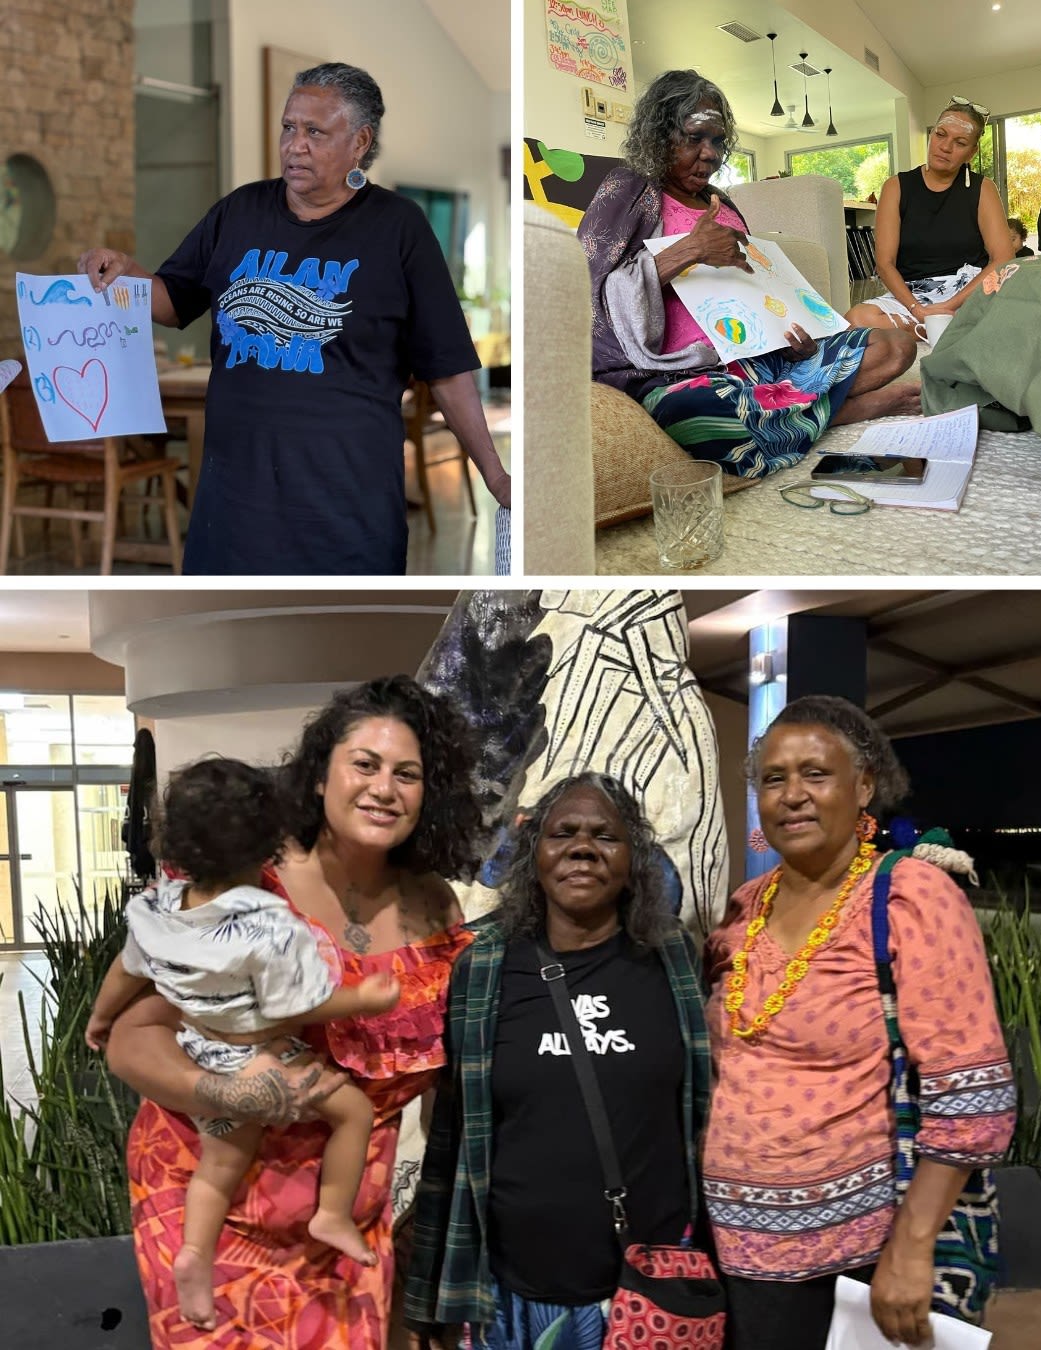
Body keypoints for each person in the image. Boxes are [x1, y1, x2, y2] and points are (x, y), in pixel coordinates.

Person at [103, 676, 484, 1349]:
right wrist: (225, 1089)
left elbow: (447, 1074)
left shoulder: (436, 908)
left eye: (408, 774)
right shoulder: (250, 882)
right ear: (319, 777)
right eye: (363, 764)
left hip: (342, 1223)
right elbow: (133, 1038)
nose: (383, 788)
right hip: (211, 1206)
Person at [77, 63, 510, 575]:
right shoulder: (238, 212)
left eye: (314, 132)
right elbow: (172, 302)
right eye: (288, 127)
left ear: (359, 142)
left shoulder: (399, 228)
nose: (294, 145)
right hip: (234, 504)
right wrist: (125, 274)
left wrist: (496, 476)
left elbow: (446, 368)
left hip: (347, 508)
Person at [703, 696, 1016, 1350]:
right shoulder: (744, 908)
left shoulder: (908, 898)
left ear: (864, 785)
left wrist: (910, 1247)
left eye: (816, 774)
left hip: (854, 1264)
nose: (792, 795)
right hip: (732, 1256)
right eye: (774, 778)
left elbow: (975, 1099)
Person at [86, 757, 402, 1330]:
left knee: (221, 1162)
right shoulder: (268, 922)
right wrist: (362, 1000)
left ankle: (194, 1254)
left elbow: (125, 973)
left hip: (198, 1045)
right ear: (268, 845)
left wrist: (100, 1016)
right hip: (253, 1057)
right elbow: (295, 1005)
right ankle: (332, 1214)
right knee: (352, 1111)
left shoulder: (162, 906)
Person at [404, 772, 712, 1349]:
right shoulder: (483, 968)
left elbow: (701, 1112)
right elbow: (448, 1140)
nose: (582, 846)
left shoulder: (672, 957)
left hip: (652, 1289)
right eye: (562, 832)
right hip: (513, 1296)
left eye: (605, 835)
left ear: (633, 858)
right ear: (534, 853)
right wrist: (429, 1299)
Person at [578, 69, 919, 481]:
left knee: (895, 346)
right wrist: (690, 250)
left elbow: (758, 288)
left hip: (763, 361)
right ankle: (846, 409)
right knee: (697, 411)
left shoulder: (722, 204)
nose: (709, 154)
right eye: (694, 137)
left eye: (718, 141)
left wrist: (793, 335)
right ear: (661, 134)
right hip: (686, 372)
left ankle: (792, 412)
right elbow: (586, 288)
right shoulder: (628, 189)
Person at [846, 98, 1013, 338]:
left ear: (972, 152)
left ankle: (945, 325)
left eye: (960, 142)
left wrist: (949, 306)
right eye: (940, 135)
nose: (945, 147)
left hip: (968, 293)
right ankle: (951, 328)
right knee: (856, 320)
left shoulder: (983, 188)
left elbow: (1002, 258)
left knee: (1019, 311)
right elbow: (884, 263)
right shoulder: (896, 186)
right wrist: (917, 309)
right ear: (931, 134)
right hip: (912, 297)